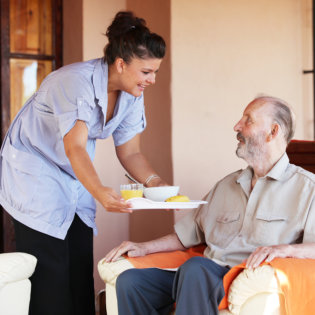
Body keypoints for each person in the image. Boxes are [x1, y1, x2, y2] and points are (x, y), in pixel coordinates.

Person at [0, 11, 170, 315]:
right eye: (147, 71)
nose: (152, 80)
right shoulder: (73, 82)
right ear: (121, 63)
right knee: (48, 276)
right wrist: (101, 192)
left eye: (155, 72)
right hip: (35, 171)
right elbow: (75, 147)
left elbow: (129, 152)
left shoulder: (132, 92)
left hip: (73, 174)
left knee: (79, 272)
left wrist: (156, 184)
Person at [105, 96, 315, 315]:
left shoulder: (308, 189)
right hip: (201, 278)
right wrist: (143, 247)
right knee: (131, 282)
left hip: (245, 279)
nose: (237, 126)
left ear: (273, 132)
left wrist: (285, 250)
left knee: (196, 269)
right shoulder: (226, 186)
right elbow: (187, 234)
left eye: (248, 120)